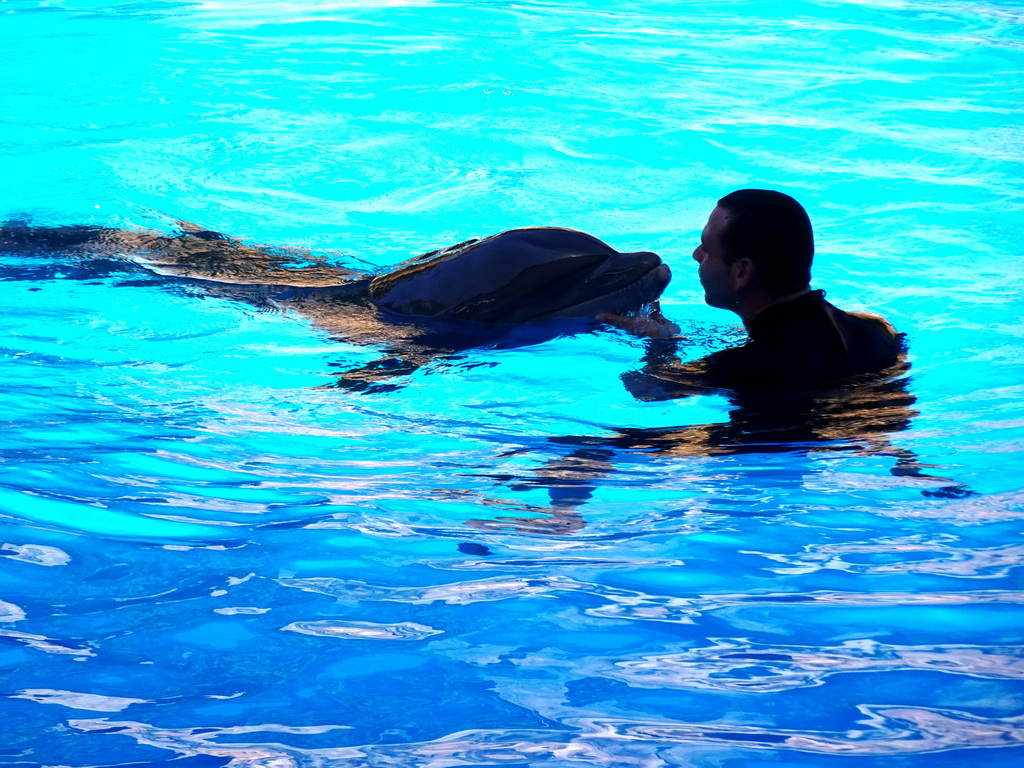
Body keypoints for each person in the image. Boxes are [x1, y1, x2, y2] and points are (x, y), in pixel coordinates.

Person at [614, 189, 905, 398]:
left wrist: (661, 343)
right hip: (869, 443)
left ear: (742, 272)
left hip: (773, 458)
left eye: (707, 248)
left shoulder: (747, 364)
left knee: (588, 452)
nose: (696, 255)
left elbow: (646, 389)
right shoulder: (875, 328)